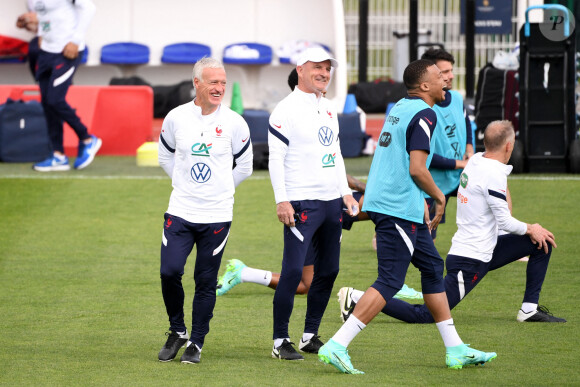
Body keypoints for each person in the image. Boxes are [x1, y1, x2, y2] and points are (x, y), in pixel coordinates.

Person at [317, 59, 496, 374]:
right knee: (389, 280)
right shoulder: (425, 113)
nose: (446, 81)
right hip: (396, 207)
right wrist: (439, 197)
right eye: (440, 76)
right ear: (425, 85)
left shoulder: (400, 106)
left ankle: (455, 348)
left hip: (398, 205)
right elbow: (417, 168)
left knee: (431, 268)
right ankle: (337, 344)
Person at [339, 120, 566, 325]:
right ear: (509, 146)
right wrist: (530, 227)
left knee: (540, 243)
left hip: (487, 248)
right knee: (426, 315)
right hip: (470, 259)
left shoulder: (477, 160)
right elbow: (505, 221)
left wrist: (532, 232)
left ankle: (528, 310)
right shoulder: (491, 173)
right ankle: (357, 297)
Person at [156, 57, 253, 364]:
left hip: (217, 215)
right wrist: (186, 185)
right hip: (181, 211)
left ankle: (196, 342)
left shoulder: (236, 122)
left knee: (205, 279)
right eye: (213, 82)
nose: (219, 88)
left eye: (223, 83)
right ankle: (177, 330)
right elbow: (164, 156)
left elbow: (246, 166)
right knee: (169, 271)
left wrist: (220, 190)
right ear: (196, 83)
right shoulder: (176, 117)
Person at [267, 46, 359, 361]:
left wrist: (345, 191)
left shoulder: (330, 107)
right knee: (293, 272)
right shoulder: (285, 109)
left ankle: (309, 336)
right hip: (301, 203)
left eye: (327, 68)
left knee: (329, 270)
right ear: (301, 70)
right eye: (317, 67)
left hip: (332, 202)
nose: (324, 73)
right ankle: (280, 340)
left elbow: (334, 153)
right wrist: (282, 199)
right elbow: (275, 160)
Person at [216, 174, 422, 300]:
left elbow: (341, 172)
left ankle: (243, 273)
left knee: (388, 210)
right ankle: (394, 281)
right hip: (313, 210)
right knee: (305, 284)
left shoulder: (324, 121)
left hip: (329, 205)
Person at [26, 0, 102, 172]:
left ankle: (87, 139)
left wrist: (75, 40)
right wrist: (35, 27)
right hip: (46, 51)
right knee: (47, 103)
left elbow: (89, 8)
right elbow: (48, 16)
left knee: (54, 100)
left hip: (67, 51)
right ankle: (58, 155)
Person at [420, 48, 474, 241]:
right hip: (433, 182)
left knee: (495, 192)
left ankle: (504, 241)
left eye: (451, 70)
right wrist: (459, 164)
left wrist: (469, 149)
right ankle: (381, 233)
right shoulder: (423, 108)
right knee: (426, 240)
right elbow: (424, 157)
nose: (450, 76)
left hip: (460, 175)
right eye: (444, 72)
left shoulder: (457, 98)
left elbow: (467, 123)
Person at [15, 8, 40, 77]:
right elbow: (36, 27)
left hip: (57, 39)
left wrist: (39, 18)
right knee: (33, 50)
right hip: (40, 37)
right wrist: (26, 22)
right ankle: (39, 81)